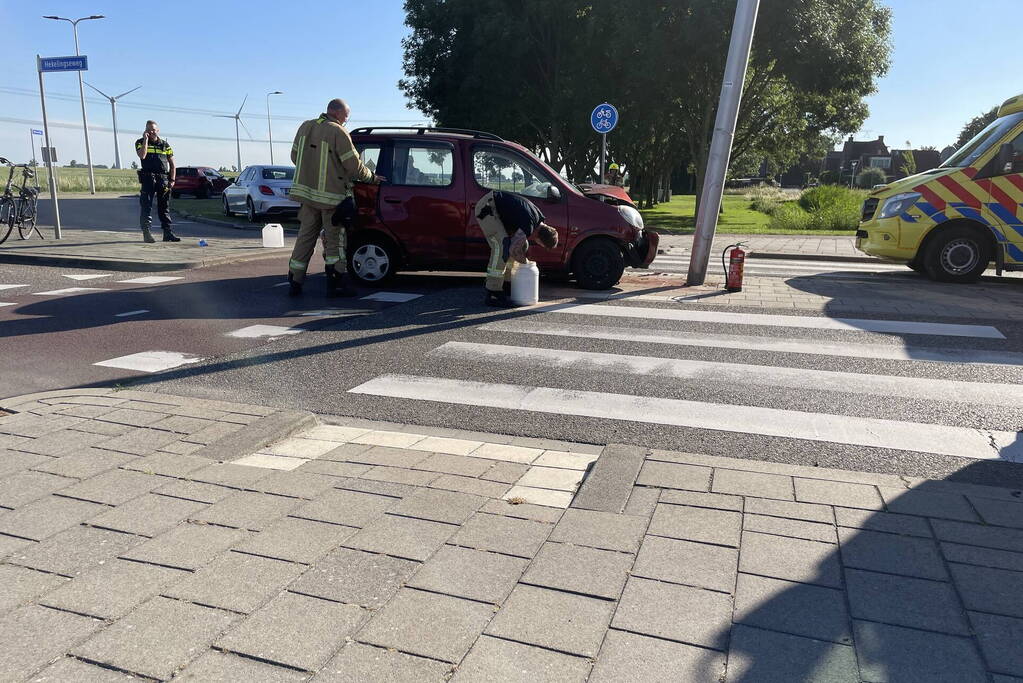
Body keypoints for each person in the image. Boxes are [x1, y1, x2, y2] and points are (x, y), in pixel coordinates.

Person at [287, 99, 384, 297]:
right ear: (337, 112)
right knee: (335, 242)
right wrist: (372, 178)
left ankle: (295, 281)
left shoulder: (305, 126)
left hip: (306, 195)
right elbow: (353, 166)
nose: (346, 121)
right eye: (346, 116)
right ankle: (336, 283)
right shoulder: (338, 132)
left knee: (305, 238)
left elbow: (294, 156)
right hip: (332, 198)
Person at [474, 190, 559, 307]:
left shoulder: (539, 219)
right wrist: (525, 264)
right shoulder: (529, 224)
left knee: (523, 246)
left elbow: (518, 245)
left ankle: (506, 283)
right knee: (501, 246)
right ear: (540, 240)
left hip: (496, 207)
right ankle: (493, 291)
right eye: (541, 245)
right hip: (487, 208)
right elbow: (513, 249)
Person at [135, 120, 179, 243]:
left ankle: (167, 233)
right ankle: (147, 233)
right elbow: (142, 156)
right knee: (146, 206)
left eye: (153, 129)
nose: (151, 131)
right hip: (148, 178)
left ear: (157, 130)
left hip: (163, 179)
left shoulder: (165, 145)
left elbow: (172, 164)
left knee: (164, 207)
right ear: (145, 131)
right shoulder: (140, 142)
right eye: (149, 129)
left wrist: (172, 179)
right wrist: (145, 140)